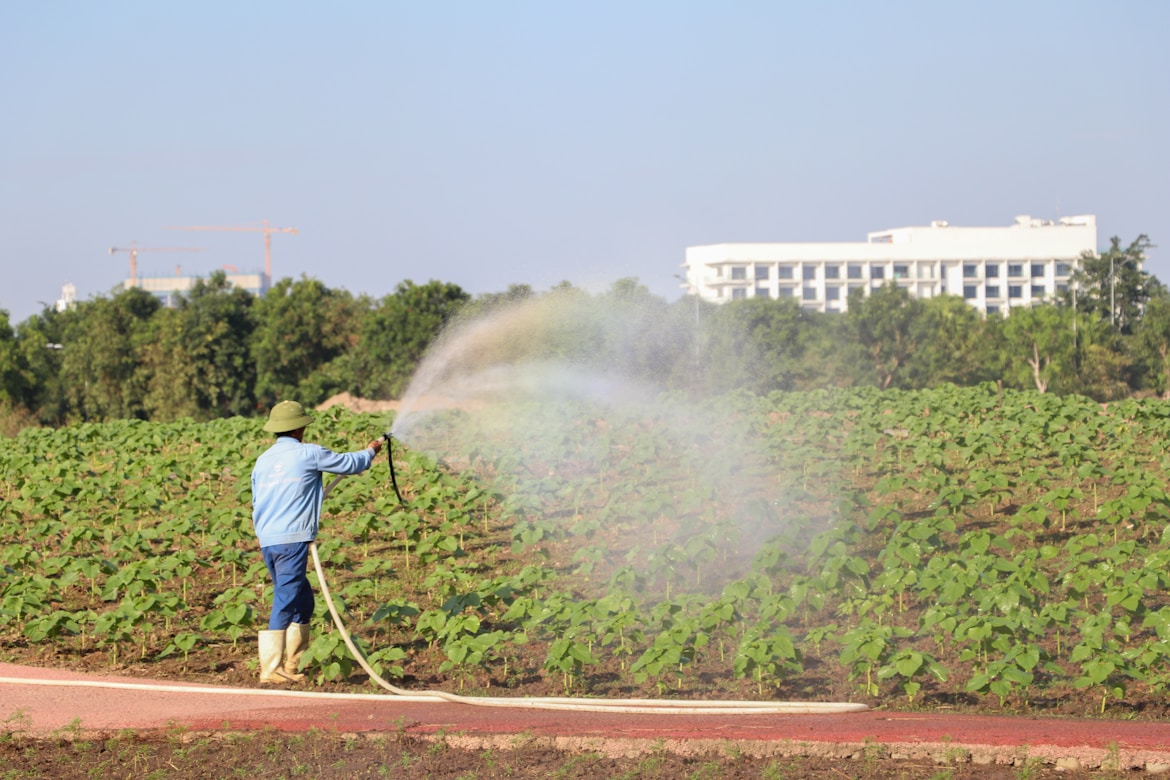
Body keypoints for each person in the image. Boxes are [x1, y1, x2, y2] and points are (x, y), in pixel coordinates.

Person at [250, 400, 384, 684]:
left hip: (268, 538)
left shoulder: (263, 460)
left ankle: (293, 663)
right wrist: (371, 450)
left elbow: (255, 499)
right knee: (286, 598)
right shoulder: (307, 454)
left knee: (302, 599)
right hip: (291, 538)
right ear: (298, 428)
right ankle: (271, 669)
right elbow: (350, 463)